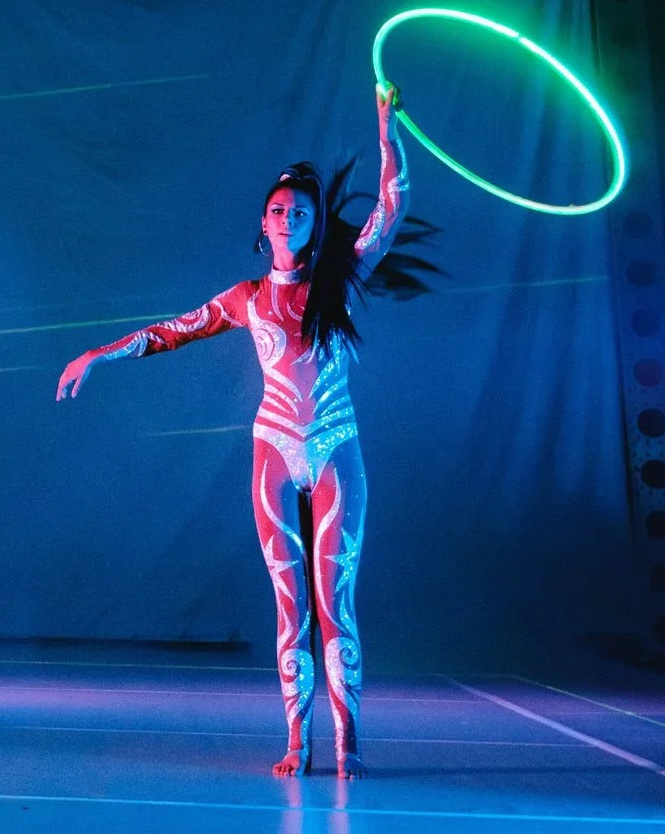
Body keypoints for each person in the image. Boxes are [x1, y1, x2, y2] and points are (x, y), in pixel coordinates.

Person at [55, 85, 413, 779]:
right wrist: (98, 353)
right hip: (274, 447)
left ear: (315, 224)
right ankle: (296, 741)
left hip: (334, 445)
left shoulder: (340, 281)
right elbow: (172, 330)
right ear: (263, 222)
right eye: (278, 210)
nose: (288, 218)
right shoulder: (247, 299)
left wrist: (386, 128)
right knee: (290, 605)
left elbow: (392, 206)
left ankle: (349, 742)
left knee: (335, 601)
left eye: (300, 211)